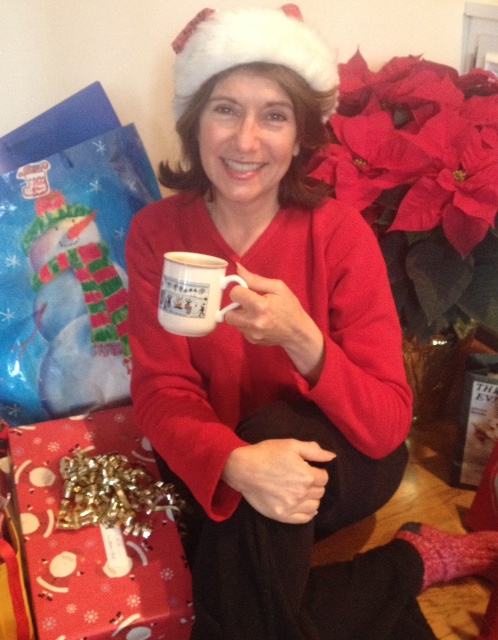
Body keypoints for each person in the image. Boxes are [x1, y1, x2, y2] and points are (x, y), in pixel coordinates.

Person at [125, 5, 498, 639]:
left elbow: (386, 426)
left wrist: (303, 339)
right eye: (225, 110)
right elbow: (162, 390)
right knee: (254, 582)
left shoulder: (338, 233)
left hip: (345, 460)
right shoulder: (158, 233)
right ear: (194, 123)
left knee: (274, 436)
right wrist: (237, 463)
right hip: (221, 462)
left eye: (274, 116)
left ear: (301, 135)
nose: (246, 141)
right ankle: (410, 563)